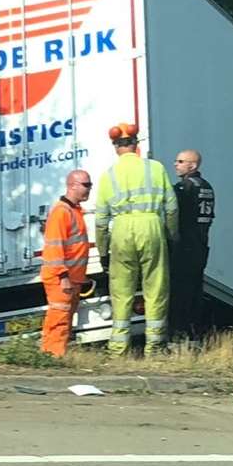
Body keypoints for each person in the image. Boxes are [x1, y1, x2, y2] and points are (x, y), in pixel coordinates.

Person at [94, 122, 179, 356]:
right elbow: (171, 208)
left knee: (121, 291)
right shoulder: (156, 168)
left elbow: (101, 221)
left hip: (121, 230)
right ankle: (155, 347)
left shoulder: (107, 176)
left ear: (115, 147)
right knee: (156, 288)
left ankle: (118, 348)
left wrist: (103, 252)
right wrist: (172, 237)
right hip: (151, 226)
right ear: (135, 145)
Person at [39, 169, 92, 358]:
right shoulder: (62, 212)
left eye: (90, 185)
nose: (89, 189)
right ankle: (52, 356)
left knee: (65, 319)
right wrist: (63, 276)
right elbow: (54, 248)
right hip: (62, 278)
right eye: (86, 185)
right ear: (72, 185)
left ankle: (56, 355)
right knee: (59, 317)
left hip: (72, 278)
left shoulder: (73, 211)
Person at [171, 149, 215, 343]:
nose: (176, 164)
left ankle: (180, 336)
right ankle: (195, 335)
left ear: (193, 165)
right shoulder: (207, 186)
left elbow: (175, 216)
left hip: (186, 247)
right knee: (196, 292)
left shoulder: (185, 187)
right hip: (201, 245)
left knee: (181, 294)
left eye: (181, 161)